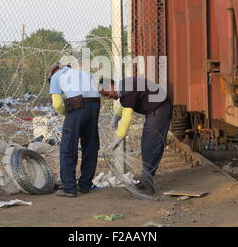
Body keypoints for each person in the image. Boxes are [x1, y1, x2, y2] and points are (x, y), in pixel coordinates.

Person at [99, 76, 173, 192]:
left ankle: (147, 184)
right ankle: (146, 179)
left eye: (107, 94)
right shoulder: (124, 86)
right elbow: (125, 105)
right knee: (147, 144)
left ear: (110, 86)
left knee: (150, 145)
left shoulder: (126, 89)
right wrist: (116, 117)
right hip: (157, 108)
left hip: (160, 108)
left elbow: (127, 117)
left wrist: (118, 138)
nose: (110, 98)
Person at [49, 63, 101, 198]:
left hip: (77, 105)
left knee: (68, 147)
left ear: (55, 71)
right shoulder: (82, 73)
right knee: (90, 145)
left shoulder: (56, 76)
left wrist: (68, 116)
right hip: (95, 105)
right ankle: (85, 185)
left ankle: (69, 188)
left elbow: (57, 104)